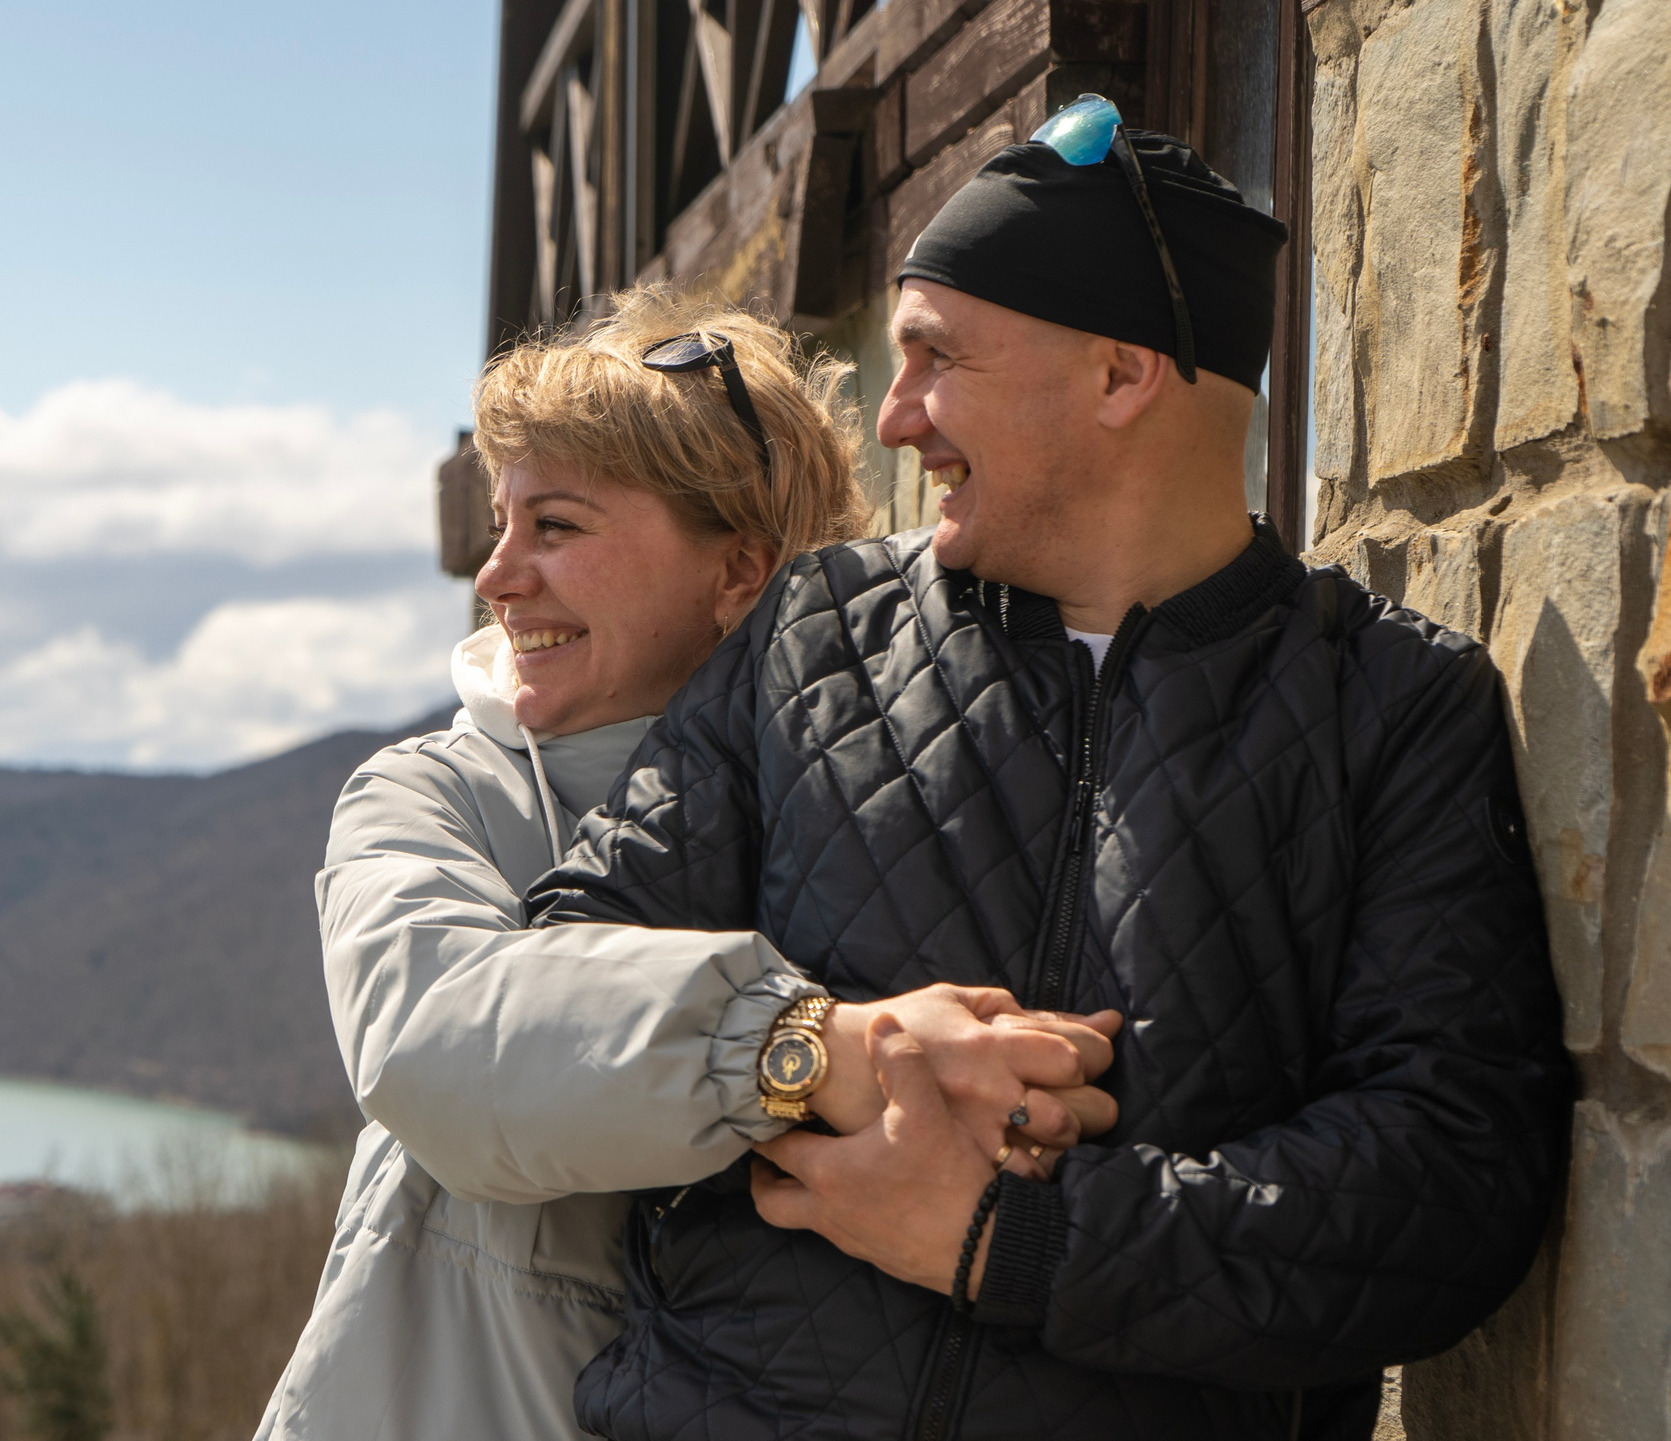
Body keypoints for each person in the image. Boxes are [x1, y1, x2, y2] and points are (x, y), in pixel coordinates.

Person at [528, 107, 1571, 1440]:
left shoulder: (1392, 707)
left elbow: (1444, 1184)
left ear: (1122, 374)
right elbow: (563, 979)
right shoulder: (810, 638)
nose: (896, 417)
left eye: (936, 360)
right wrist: (822, 1057)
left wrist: (1009, 1240)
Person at [255, 291, 1123, 1441]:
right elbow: (433, 1040)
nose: (498, 576)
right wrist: (809, 1049)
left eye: (554, 527)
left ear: (738, 576)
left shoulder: (892, 813)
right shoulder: (435, 794)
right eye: (502, 526)